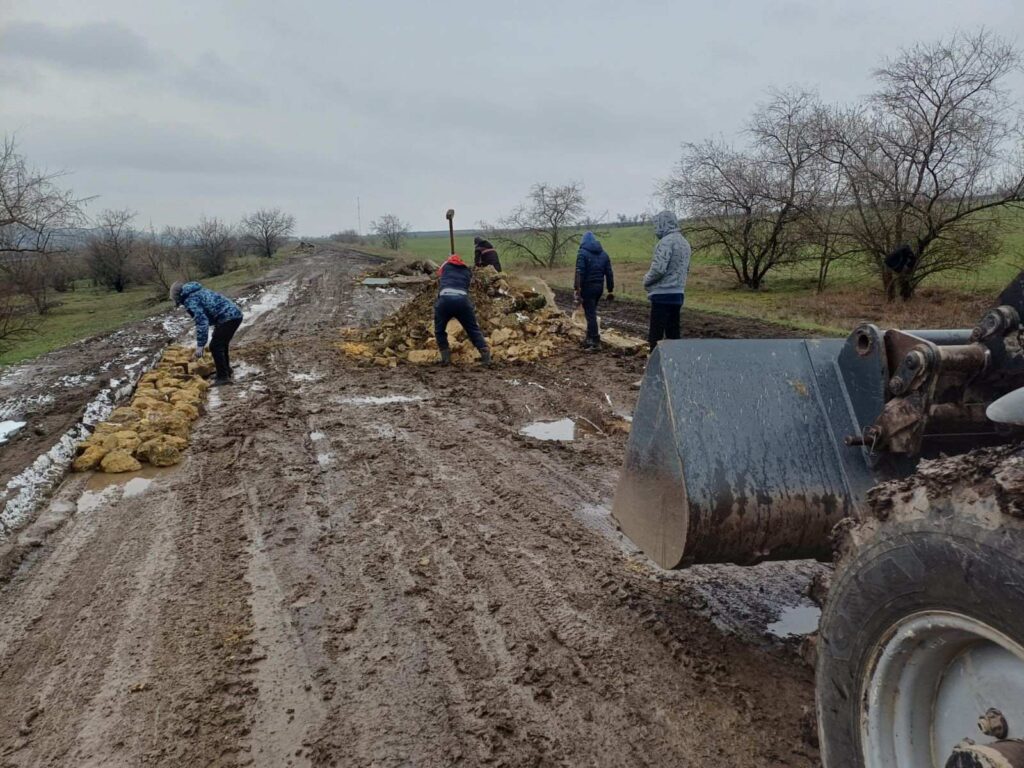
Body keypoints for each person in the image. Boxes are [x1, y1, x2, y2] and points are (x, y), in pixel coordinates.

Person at [170, 280, 244, 386]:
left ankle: (223, 377)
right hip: (232, 315)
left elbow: (202, 321)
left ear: (178, 296)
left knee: (215, 346)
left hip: (228, 317)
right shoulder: (195, 291)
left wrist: (200, 345)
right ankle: (225, 371)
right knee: (221, 344)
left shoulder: (190, 299)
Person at [643, 210, 691, 351]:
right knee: (673, 332)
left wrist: (646, 280)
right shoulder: (685, 243)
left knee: (656, 335)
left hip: (662, 294)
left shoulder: (665, 242)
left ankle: (654, 363)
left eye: (657, 225)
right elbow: (686, 269)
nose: (656, 229)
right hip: (678, 294)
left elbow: (658, 269)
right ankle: (674, 364)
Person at [434, 254, 491, 366]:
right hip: (462, 301)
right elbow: (466, 284)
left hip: (444, 300)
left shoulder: (446, 265)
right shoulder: (467, 271)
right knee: (472, 329)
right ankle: (485, 355)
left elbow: (439, 274)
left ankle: (445, 358)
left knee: (439, 330)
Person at [573, 231, 614, 349]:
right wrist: (610, 289)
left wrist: (577, 288)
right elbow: (609, 273)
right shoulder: (604, 254)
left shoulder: (582, 253)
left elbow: (579, 272)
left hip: (587, 288)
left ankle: (595, 341)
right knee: (591, 312)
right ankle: (589, 338)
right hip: (599, 288)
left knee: (590, 315)